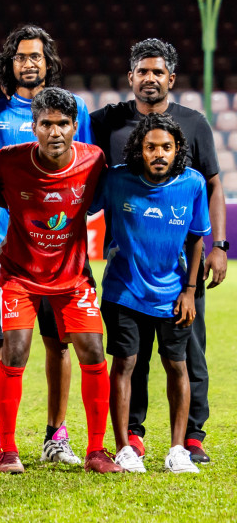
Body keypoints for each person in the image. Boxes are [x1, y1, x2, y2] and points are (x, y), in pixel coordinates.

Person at [0, 26, 93, 467]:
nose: (29, 63)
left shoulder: (71, 108)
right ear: (10, 62)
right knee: (0, 343)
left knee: (60, 343)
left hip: (61, 251)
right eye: (21, 57)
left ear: (48, 60)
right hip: (2, 245)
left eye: (36, 56)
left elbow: (86, 167)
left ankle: (57, 434)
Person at [89, 38, 225, 463]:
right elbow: (65, 130)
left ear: (171, 78)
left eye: (157, 72)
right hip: (129, 267)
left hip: (180, 263)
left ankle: (193, 435)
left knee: (188, 349)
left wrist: (219, 245)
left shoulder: (194, 123)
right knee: (133, 355)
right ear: (130, 78)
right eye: (141, 72)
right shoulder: (106, 122)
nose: (149, 78)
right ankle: (134, 432)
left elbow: (214, 184)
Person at [0, 87, 116, 474]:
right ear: (34, 126)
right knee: (16, 351)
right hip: (20, 276)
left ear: (75, 126)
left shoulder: (94, 161)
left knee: (92, 350)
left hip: (72, 277)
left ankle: (96, 450)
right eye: (46, 124)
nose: (55, 132)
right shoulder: (7, 162)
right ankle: (7, 449)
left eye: (63, 124)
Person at [97, 115, 209, 474]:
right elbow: (79, 207)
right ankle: (125, 448)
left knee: (177, 366)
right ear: (139, 150)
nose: (158, 153)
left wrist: (190, 291)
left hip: (174, 295)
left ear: (177, 150)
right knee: (126, 364)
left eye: (166, 147)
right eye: (151, 147)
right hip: (123, 290)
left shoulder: (192, 183)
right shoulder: (116, 179)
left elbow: (196, 240)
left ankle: (178, 449)